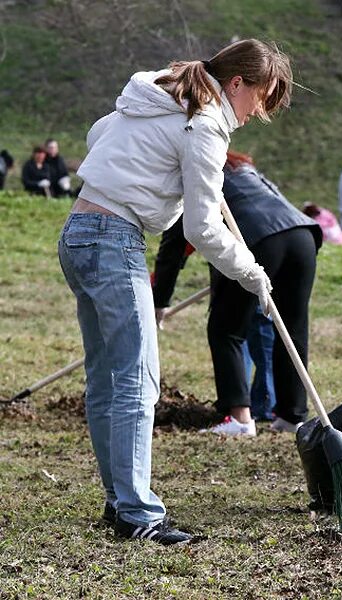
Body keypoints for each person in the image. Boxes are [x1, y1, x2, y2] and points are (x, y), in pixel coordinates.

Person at [57, 39, 293, 545]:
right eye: (259, 97)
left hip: (78, 232)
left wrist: (149, 167)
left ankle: (120, 501)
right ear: (236, 84)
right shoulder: (203, 124)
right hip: (113, 239)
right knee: (137, 381)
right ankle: (137, 514)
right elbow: (203, 230)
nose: (256, 112)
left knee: (108, 379)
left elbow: (99, 133)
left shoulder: (159, 94)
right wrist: (251, 272)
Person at [154, 151, 322, 436]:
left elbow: (174, 240)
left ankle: (240, 418)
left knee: (225, 330)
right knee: (291, 329)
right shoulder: (241, 167)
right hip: (301, 235)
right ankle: (292, 417)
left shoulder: (194, 175)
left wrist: (160, 300)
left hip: (254, 240)